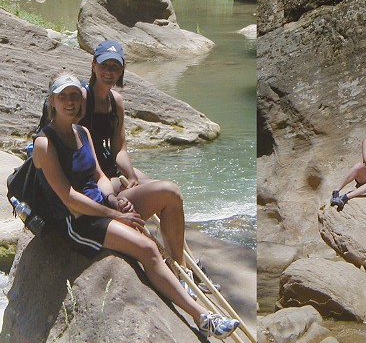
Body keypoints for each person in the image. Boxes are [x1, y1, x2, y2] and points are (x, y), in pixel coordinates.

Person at [32, 73, 239, 339]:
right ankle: (202, 317)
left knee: (169, 192)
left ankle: (178, 271)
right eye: (63, 96)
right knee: (147, 247)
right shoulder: (45, 143)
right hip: (77, 220)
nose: (70, 101)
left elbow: (99, 177)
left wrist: (113, 199)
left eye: (74, 95)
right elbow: (69, 197)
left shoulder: (81, 132)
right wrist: (115, 214)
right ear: (52, 101)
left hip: (102, 206)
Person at [78, 40, 191, 277]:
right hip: (93, 177)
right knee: (170, 192)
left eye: (114, 67)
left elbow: (119, 148)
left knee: (147, 181)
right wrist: (118, 182)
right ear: (93, 66)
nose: (109, 72)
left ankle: (176, 254)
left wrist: (130, 175)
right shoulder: (81, 99)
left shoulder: (115, 101)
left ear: (122, 70)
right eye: (104, 65)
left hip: (109, 168)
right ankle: (179, 268)